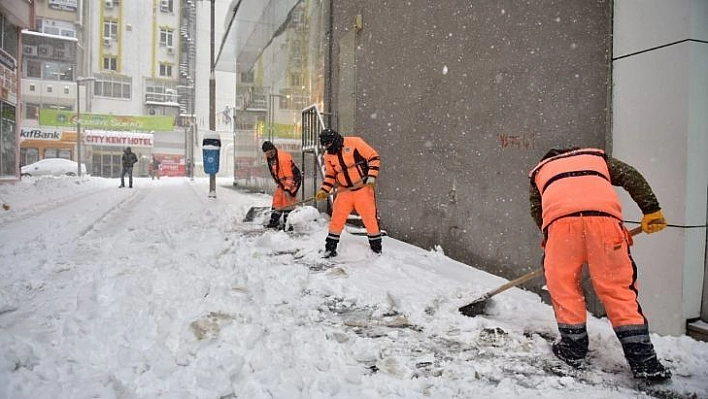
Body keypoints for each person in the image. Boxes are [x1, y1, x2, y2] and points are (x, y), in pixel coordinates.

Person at [528, 147, 671, 382]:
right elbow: (630, 176)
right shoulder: (595, 159)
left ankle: (572, 349)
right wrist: (651, 210)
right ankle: (644, 361)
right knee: (618, 290)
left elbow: (537, 210)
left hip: (561, 226)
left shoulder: (540, 172)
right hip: (605, 224)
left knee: (563, 287)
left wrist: (553, 237)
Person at [315, 129, 382, 258]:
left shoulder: (355, 142)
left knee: (370, 219)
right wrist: (324, 190)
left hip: (362, 188)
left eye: (329, 144)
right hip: (344, 191)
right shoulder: (328, 155)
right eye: (325, 145)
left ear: (334, 141)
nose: (327, 148)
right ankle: (330, 248)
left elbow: (373, 157)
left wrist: (372, 176)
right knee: (336, 219)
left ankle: (376, 249)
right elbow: (330, 175)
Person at [262, 141, 302, 229]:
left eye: (270, 153)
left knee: (288, 201)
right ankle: (274, 221)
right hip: (283, 181)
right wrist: (279, 181)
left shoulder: (283, 159)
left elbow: (289, 177)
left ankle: (288, 224)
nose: (269, 155)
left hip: (293, 179)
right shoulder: (270, 157)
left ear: (273, 149)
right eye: (267, 154)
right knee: (278, 200)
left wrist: (287, 189)